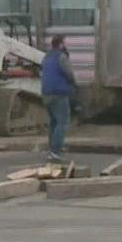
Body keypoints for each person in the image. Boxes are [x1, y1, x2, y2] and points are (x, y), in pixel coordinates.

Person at [41, 33, 77, 161]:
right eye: (65, 43)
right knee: (62, 122)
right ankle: (55, 152)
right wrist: (73, 84)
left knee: (53, 122)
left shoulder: (46, 56)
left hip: (46, 93)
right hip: (59, 93)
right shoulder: (61, 57)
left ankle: (54, 148)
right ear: (61, 44)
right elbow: (69, 73)